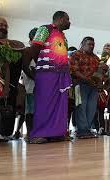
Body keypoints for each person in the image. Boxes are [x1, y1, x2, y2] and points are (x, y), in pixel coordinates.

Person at [23, 11, 71, 144]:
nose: (69, 22)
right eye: (67, 19)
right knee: (44, 104)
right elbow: (33, 49)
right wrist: (33, 67)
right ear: (60, 19)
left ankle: (57, 133)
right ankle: (38, 134)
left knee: (60, 105)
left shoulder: (63, 35)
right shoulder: (44, 29)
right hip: (46, 74)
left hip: (61, 74)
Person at [70, 37, 100, 139]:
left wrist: (101, 76)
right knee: (81, 107)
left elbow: (99, 73)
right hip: (80, 84)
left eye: (93, 44)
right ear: (83, 44)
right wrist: (87, 79)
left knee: (91, 108)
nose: (91, 46)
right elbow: (74, 70)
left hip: (93, 86)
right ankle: (82, 130)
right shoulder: (76, 55)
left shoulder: (96, 58)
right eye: (89, 44)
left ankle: (87, 129)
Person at [13, 27, 38, 140]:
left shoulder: (41, 52)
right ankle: (30, 134)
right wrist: (37, 79)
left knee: (37, 110)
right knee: (30, 110)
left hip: (41, 86)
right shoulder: (28, 51)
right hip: (31, 86)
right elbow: (26, 69)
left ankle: (37, 133)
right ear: (32, 38)